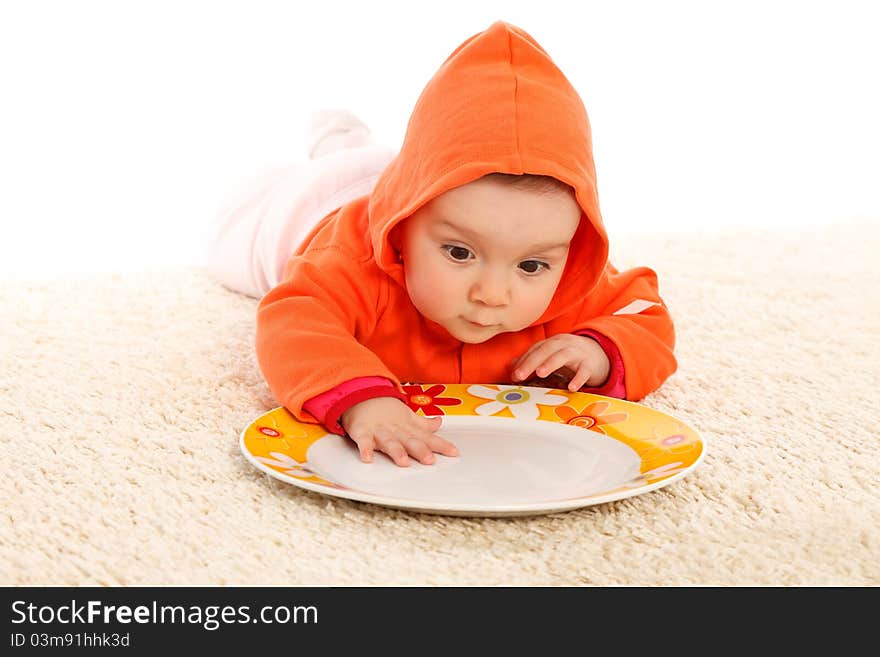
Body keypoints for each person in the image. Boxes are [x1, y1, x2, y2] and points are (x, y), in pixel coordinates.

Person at [207, 21, 677, 468]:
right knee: (230, 240)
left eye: (530, 266)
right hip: (315, 204)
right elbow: (293, 320)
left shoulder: (569, 272)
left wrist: (598, 350)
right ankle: (337, 146)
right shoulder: (348, 262)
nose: (492, 294)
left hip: (418, 180)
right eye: (459, 253)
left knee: (401, 168)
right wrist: (363, 399)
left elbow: (643, 316)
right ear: (404, 228)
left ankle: (355, 147)